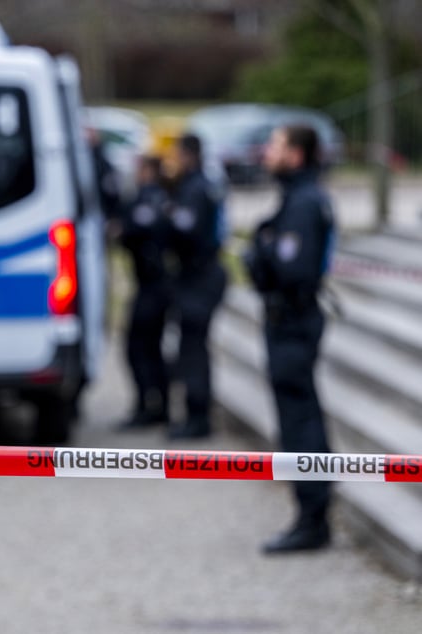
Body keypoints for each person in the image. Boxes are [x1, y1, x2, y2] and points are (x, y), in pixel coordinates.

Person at [243, 124, 335, 554]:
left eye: (276, 146)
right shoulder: (298, 197)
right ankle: (309, 514)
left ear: (296, 155)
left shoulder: (303, 202)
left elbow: (290, 268)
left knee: (300, 422)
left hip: (293, 322)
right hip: (291, 320)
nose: (268, 153)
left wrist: (260, 251)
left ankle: (312, 518)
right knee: (298, 416)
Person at [165, 134, 227, 440]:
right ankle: (195, 415)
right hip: (197, 276)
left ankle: (198, 417)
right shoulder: (199, 185)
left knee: (193, 350)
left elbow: (186, 231)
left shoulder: (195, 188)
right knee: (191, 348)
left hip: (199, 278)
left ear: (188, 154)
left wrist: (166, 217)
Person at [115, 156, 171, 430]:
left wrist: (121, 230)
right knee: (149, 347)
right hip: (151, 284)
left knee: (138, 347)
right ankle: (156, 404)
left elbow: (134, 228)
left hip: (154, 285)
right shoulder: (155, 197)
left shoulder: (151, 199)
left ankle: (150, 406)